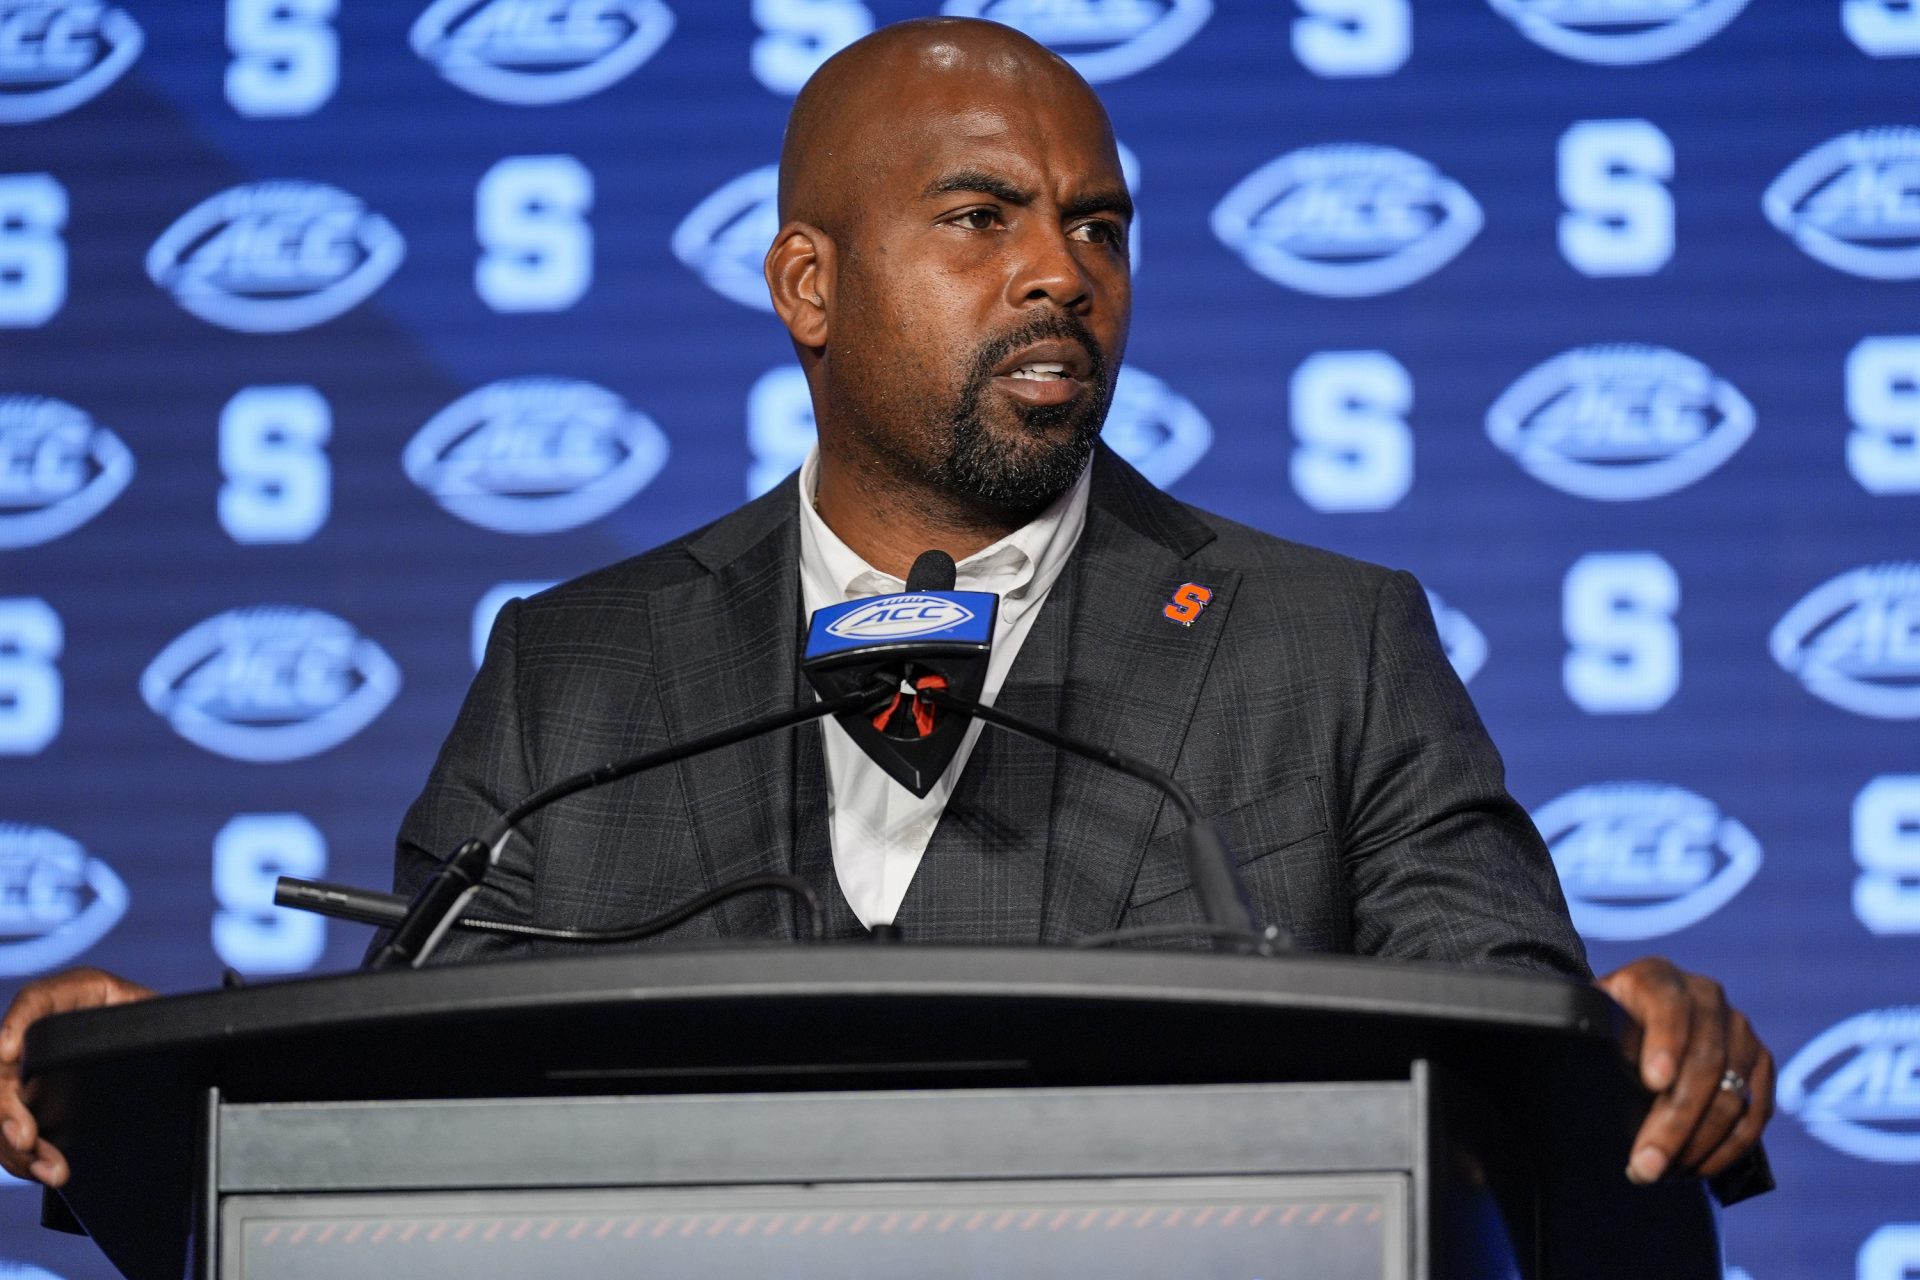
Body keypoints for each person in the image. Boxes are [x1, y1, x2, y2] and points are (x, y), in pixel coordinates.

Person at [0, 17, 1771, 1199]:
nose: (1060, 273)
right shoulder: (578, 673)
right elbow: (384, 1116)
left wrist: (1654, 1044)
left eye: (1096, 225)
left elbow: (1517, 1032)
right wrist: (125, 1089)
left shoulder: (1329, 642)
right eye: (980, 216)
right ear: (808, 286)